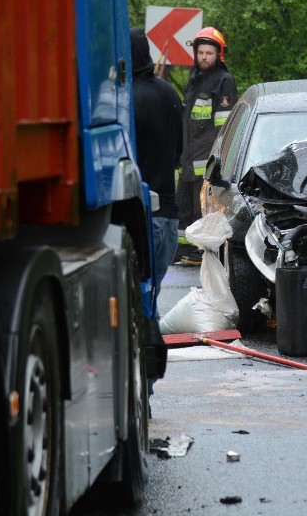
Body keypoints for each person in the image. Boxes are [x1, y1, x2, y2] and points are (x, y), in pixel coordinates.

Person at [130, 27, 183, 403]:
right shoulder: (169, 94)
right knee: (150, 300)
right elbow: (179, 152)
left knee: (139, 306)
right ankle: (145, 390)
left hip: (142, 218)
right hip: (168, 216)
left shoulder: (127, 100)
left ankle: (142, 390)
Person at [176, 26, 238, 265]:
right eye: (200, 52)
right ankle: (184, 251)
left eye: (208, 53)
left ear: (218, 55)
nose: (203, 57)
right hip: (189, 159)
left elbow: (223, 128)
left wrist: (217, 160)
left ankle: (199, 251)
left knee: (200, 209)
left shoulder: (224, 82)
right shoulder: (194, 81)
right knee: (183, 209)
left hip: (205, 160)